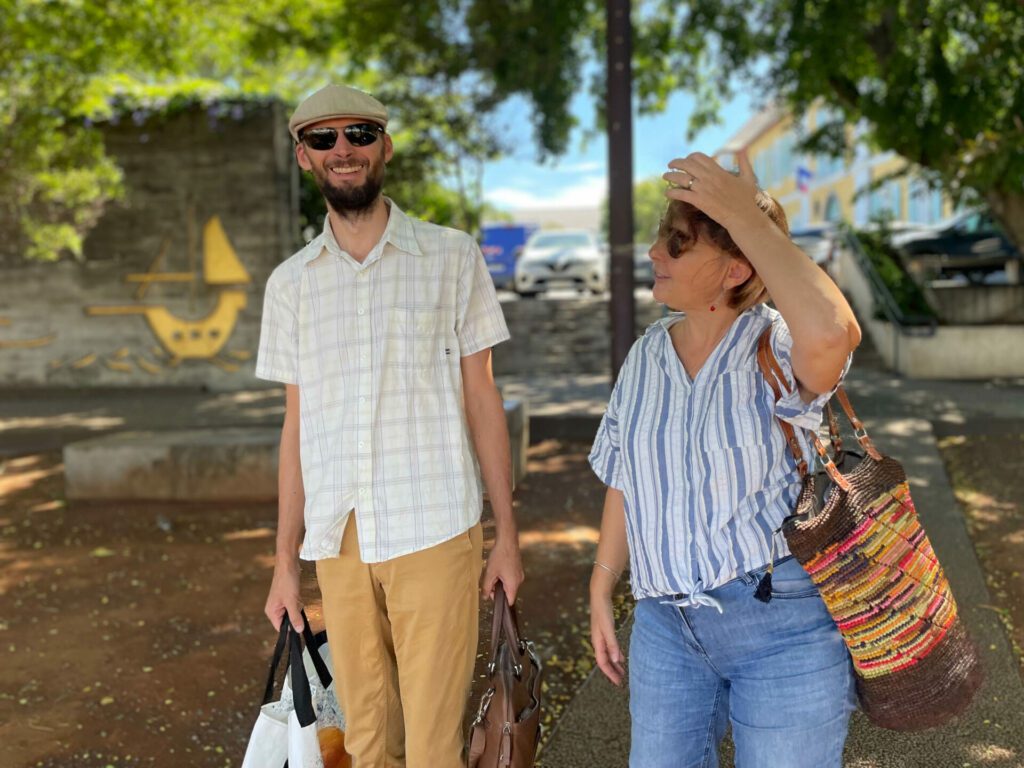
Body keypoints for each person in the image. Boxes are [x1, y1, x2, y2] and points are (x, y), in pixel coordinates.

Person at [255, 84, 524, 768]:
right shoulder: (289, 285)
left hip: (434, 526)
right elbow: (296, 427)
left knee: (433, 747)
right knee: (368, 741)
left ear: (385, 146)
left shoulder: (452, 256)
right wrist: (285, 563)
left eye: (359, 134)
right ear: (304, 158)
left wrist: (507, 537)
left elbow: (482, 396)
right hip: (338, 541)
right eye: (324, 138)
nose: (343, 149)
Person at [588, 151, 862, 767]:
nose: (656, 252)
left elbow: (834, 337)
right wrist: (601, 585)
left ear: (736, 267)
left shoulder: (778, 343)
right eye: (662, 237)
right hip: (666, 628)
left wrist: (747, 214)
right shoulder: (645, 357)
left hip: (781, 626)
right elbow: (625, 481)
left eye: (677, 243)